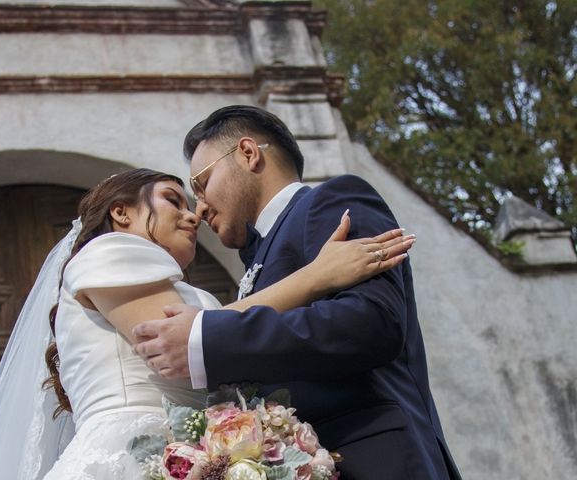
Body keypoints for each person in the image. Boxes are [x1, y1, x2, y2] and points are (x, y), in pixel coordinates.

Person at [0, 168, 413, 480]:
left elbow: (213, 336)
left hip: (194, 454)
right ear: (122, 213)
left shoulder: (192, 294)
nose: (193, 214)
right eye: (174, 200)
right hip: (130, 453)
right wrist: (317, 276)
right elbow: (172, 344)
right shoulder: (109, 252)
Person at [132, 105, 463, 480]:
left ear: (247, 153)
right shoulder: (256, 259)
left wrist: (208, 338)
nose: (201, 207)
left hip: (374, 459)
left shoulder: (332, 201)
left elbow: (370, 323)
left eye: (201, 184)